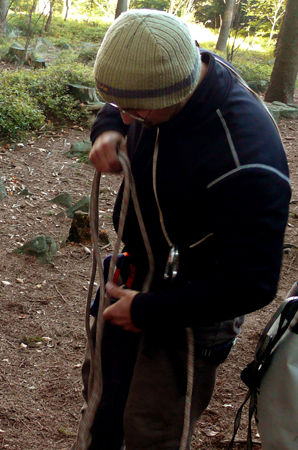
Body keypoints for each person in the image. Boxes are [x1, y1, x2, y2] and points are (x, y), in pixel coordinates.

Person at [74, 10, 291, 449]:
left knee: (152, 430)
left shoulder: (247, 159)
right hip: (133, 272)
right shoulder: (159, 75)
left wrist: (149, 311)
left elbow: (251, 282)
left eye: (136, 110)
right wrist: (109, 127)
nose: (129, 118)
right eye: (124, 106)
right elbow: (120, 102)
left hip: (194, 306)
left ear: (180, 87)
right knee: (101, 407)